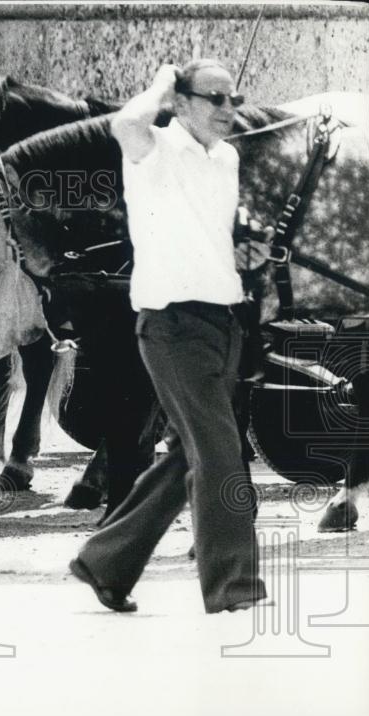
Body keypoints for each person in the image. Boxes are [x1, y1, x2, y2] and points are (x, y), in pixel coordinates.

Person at [69, 59, 268, 614]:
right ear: (181, 103)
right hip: (171, 324)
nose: (230, 111)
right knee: (221, 452)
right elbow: (125, 124)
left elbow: (210, 238)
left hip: (223, 321)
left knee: (187, 455)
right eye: (215, 99)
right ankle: (234, 588)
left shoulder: (226, 158)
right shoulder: (152, 148)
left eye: (235, 98)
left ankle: (104, 562)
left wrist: (242, 253)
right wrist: (162, 81)